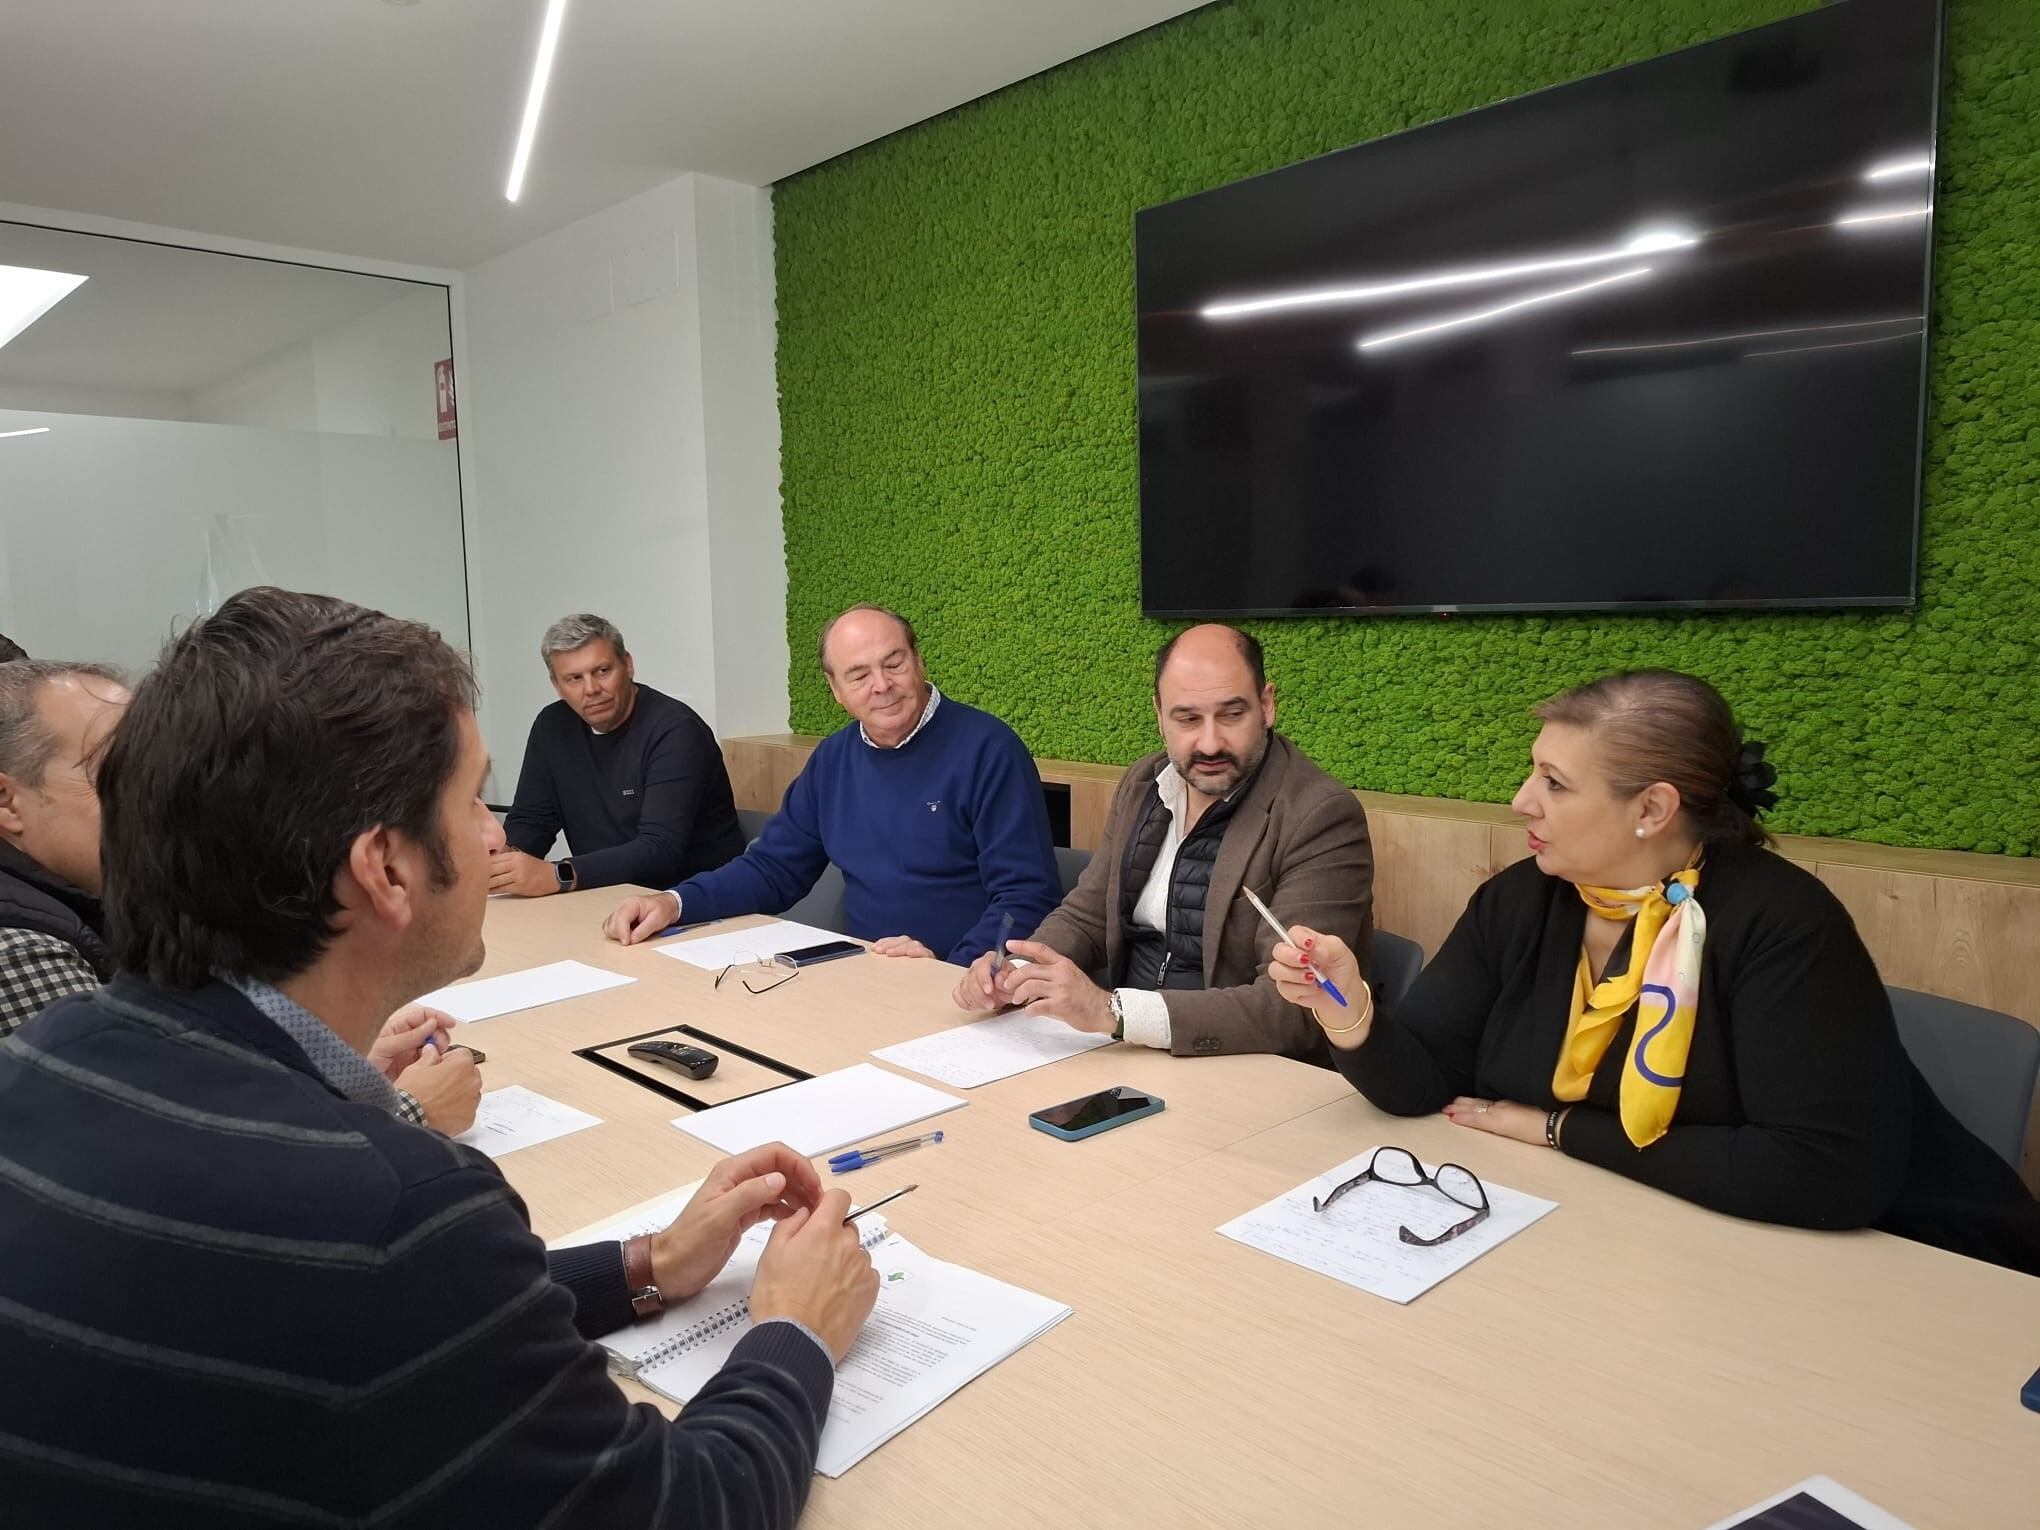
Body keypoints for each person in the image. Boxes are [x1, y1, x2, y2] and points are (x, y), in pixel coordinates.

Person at [0, 588, 879, 1527]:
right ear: (385, 869)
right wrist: (796, 1328)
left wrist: (650, 1261)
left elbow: (391, 1316)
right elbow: (688, 1509)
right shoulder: (395, 1214)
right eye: (470, 802)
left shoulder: (44, 1055)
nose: (497, 834)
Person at [1270, 669, 2040, 1275]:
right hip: (1645, 1248)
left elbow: (1820, 1174)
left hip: (1918, 1275)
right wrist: (1349, 1008)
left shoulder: (1780, 923)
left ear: (1652, 809)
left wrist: (1558, 1130)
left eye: (1555, 783)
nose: (1521, 800)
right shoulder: (1523, 899)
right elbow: (1422, 1083)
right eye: (1533, 773)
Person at [0, 657, 480, 1134]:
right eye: (116, 776)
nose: (162, 801)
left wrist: (343, 1070)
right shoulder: (18, 950)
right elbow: (156, 1142)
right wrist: (412, 1111)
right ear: (7, 802)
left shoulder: (87, 900)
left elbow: (194, 1083)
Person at [952, 624, 1373, 1061]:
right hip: (1123, 1049)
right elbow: (1087, 916)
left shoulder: (1318, 815)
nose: (1210, 743)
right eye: (1187, 719)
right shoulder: (1144, 783)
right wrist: (1016, 975)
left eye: (1231, 715)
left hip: (1241, 1065)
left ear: (1266, 705)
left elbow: (1295, 1007)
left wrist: (1112, 1011)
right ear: (1159, 714)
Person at [605, 604, 1059, 963]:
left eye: (894, 663)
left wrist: (954, 971)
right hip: (865, 976)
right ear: (836, 690)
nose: (881, 685)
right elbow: (773, 869)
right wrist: (675, 903)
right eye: (859, 675)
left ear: (919, 661)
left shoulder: (989, 749)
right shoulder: (834, 759)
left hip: (959, 982)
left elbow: (1025, 896)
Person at [497, 613, 746, 897]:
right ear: (556, 685)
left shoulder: (676, 730)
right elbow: (533, 821)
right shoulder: (552, 726)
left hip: (695, 901)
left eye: (602, 671)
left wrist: (559, 874)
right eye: (574, 678)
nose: (591, 689)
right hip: (605, 898)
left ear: (628, 665)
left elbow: (660, 848)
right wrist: (505, 857)